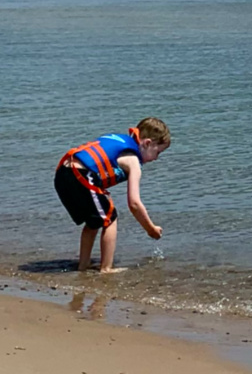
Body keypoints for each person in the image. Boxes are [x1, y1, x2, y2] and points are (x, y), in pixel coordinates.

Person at [54, 117, 170, 273]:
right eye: (158, 152)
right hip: (80, 175)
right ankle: (106, 268)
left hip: (63, 174)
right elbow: (134, 204)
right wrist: (150, 229)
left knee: (94, 220)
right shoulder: (133, 161)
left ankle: (83, 265)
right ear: (147, 143)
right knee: (110, 217)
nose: (156, 158)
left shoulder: (119, 140)